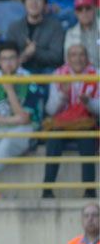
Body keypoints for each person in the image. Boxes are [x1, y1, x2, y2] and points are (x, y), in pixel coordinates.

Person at [0, 42, 44, 198]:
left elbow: (26, 118)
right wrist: (13, 121)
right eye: (4, 59)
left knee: (9, 140)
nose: (8, 62)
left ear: (19, 60)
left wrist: (10, 90)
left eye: (12, 58)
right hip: (4, 124)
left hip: (28, 129)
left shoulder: (29, 79)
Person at [42, 44, 98, 199]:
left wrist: (89, 102)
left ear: (87, 57)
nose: (78, 59)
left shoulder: (97, 74)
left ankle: (89, 190)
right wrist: (62, 96)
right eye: (73, 55)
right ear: (68, 58)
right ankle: (47, 189)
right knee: (54, 140)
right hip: (63, 124)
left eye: (81, 55)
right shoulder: (58, 74)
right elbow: (50, 110)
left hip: (86, 122)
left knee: (88, 140)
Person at [8, 0, 67, 75]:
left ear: (45, 4)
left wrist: (36, 52)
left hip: (46, 71)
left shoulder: (55, 26)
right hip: (20, 71)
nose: (34, 2)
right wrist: (25, 55)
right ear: (24, 3)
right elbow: (8, 55)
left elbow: (57, 57)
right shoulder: (14, 27)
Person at [65, 0, 98, 67]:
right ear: (76, 13)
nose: (84, 12)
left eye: (88, 8)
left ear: (94, 10)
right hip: (82, 76)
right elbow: (68, 61)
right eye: (80, 9)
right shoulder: (70, 34)